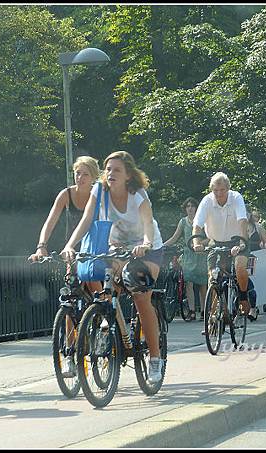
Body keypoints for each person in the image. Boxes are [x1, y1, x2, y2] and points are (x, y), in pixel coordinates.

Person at [61, 151, 165, 384]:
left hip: (147, 249)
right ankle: (116, 335)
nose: (110, 174)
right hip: (117, 247)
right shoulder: (99, 191)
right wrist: (69, 245)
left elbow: (148, 223)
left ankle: (155, 359)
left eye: (116, 170)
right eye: (108, 169)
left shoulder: (138, 195)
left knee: (140, 296)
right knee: (107, 292)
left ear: (128, 175)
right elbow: (86, 220)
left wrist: (146, 243)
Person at [29, 156, 101, 378]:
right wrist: (41, 246)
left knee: (94, 283)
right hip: (72, 251)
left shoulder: (98, 195)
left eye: (85, 174)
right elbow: (50, 221)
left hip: (97, 248)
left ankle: (105, 326)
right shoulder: (66, 195)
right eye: (77, 173)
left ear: (94, 177)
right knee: (69, 299)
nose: (80, 178)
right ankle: (69, 355)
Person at [191, 172, 258, 322]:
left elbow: (242, 220)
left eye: (222, 190)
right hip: (216, 241)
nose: (219, 194)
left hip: (237, 239)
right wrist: (196, 242)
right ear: (211, 190)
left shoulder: (236, 198)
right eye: (215, 190)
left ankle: (242, 297)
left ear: (228, 188)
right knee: (212, 276)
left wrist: (242, 242)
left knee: (240, 266)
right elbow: (197, 225)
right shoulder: (207, 201)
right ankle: (217, 313)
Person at [163, 197, 208, 320]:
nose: (190, 208)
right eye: (187, 206)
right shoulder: (183, 222)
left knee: (203, 284)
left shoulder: (202, 221)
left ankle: (204, 311)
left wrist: (201, 244)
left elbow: (210, 237)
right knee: (188, 282)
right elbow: (174, 237)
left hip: (201, 254)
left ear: (196, 208)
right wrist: (161, 246)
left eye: (192, 206)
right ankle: (192, 311)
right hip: (188, 255)